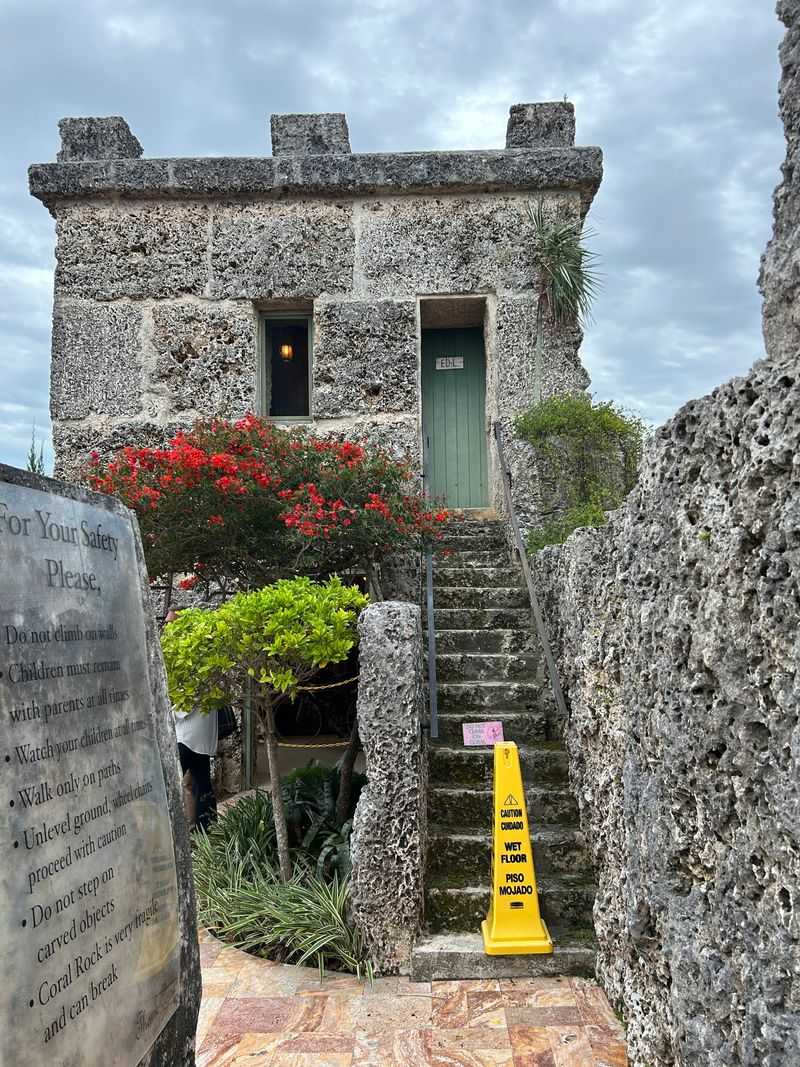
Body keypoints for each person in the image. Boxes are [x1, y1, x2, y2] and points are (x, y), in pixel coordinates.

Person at [165, 608, 218, 831]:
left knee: (168, 780)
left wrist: (168, 713)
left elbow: (188, 699)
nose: (166, 628)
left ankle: (178, 828)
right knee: (200, 781)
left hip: (189, 734)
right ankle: (207, 827)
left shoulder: (191, 654)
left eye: (170, 623)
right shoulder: (196, 650)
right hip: (198, 734)